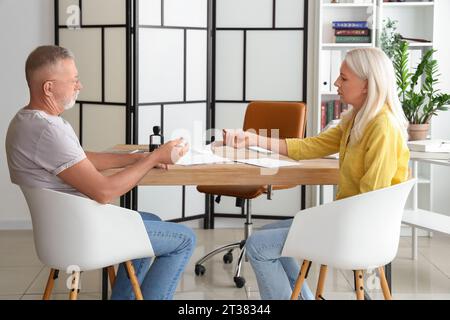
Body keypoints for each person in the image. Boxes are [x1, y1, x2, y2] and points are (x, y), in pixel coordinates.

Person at [5, 45, 195, 300]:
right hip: (83, 235)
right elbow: (105, 192)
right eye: (73, 80)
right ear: (49, 87)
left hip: (60, 231)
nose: (79, 85)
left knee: (151, 219)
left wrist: (135, 159)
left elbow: (81, 159)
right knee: (185, 240)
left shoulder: (27, 121)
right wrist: (152, 159)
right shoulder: (48, 130)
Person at [222, 48, 410, 300]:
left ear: (367, 84)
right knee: (265, 234)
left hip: (356, 231)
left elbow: (369, 200)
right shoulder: (356, 120)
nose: (336, 83)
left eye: (343, 78)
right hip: (347, 222)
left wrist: (322, 218)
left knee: (258, 246)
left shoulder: (382, 127)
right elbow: (308, 147)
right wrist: (252, 138)